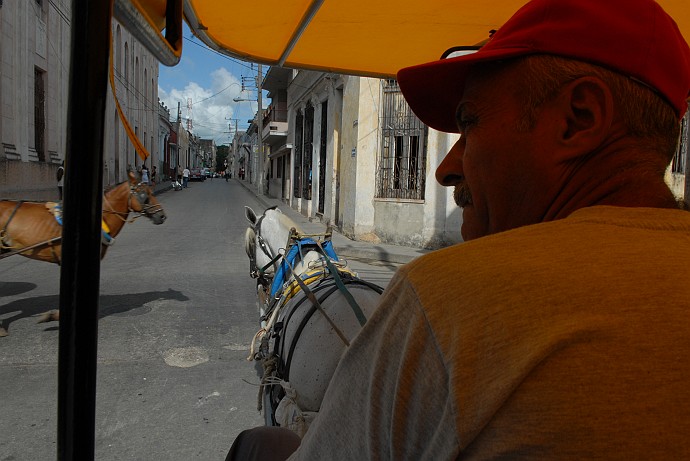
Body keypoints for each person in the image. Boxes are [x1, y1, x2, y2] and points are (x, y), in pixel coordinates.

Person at [228, 0, 690, 459]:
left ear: (579, 118)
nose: (446, 169)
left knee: (258, 446)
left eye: (470, 123)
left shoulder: (449, 301)